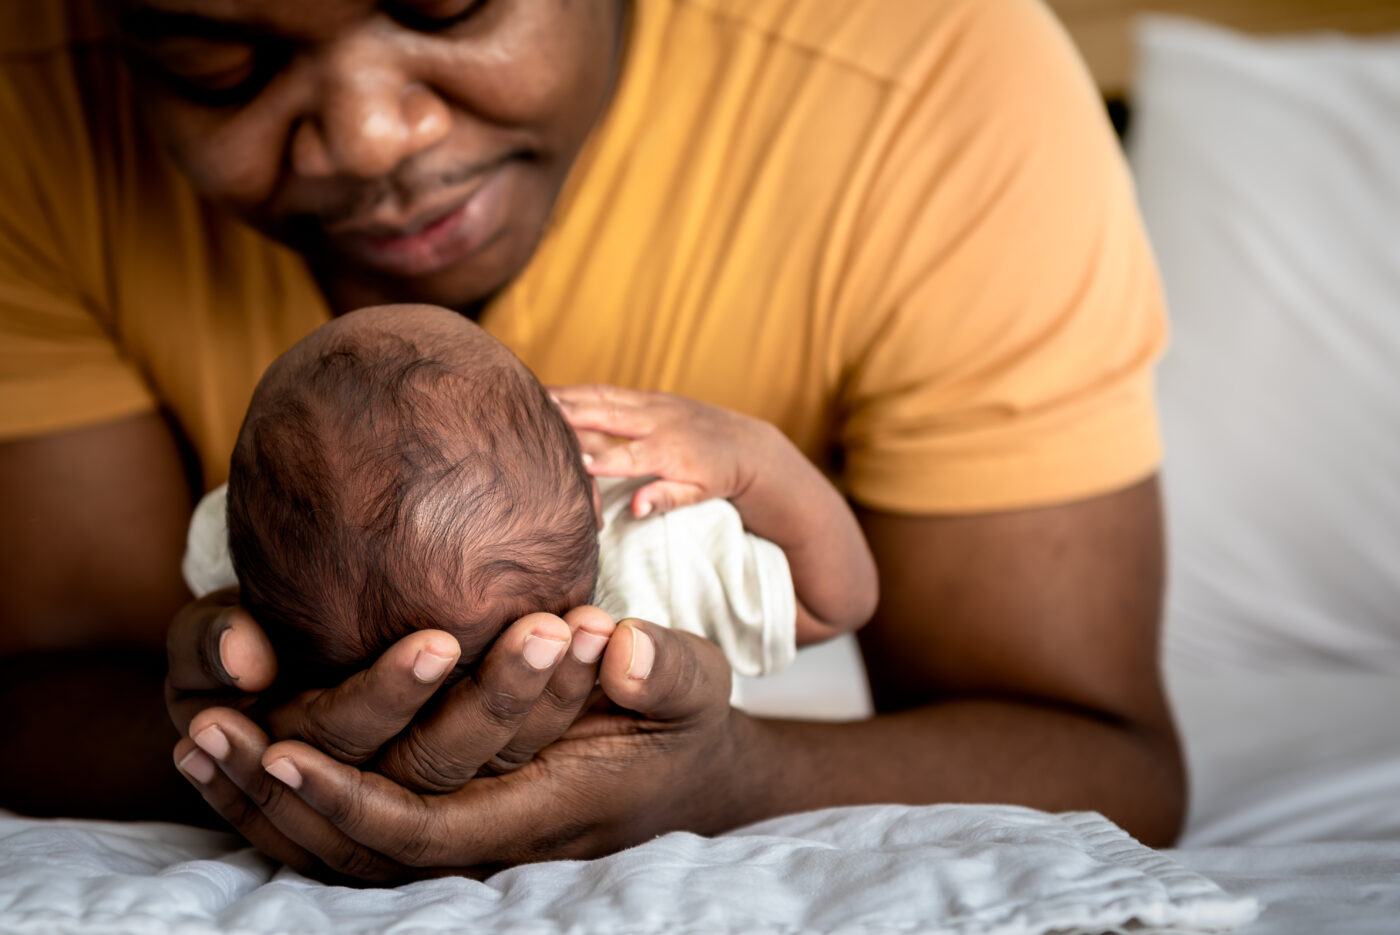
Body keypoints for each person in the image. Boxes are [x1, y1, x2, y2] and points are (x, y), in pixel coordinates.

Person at [0, 0, 1185, 874]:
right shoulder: (34, 92)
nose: (368, 137)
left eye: (451, 5)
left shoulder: (931, 84)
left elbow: (1102, 756)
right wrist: (231, 732)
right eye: (216, 59)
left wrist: (733, 776)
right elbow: (48, 692)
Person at [184, 302, 874, 701]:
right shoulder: (656, 551)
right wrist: (757, 459)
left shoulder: (239, 547)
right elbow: (839, 601)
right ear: (593, 482)